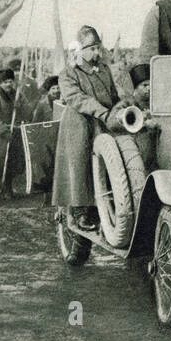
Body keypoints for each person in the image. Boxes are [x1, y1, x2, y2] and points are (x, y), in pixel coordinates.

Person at [51, 26, 120, 228]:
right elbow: (77, 99)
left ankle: (108, 207)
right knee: (80, 165)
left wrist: (120, 109)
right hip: (78, 124)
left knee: (110, 162)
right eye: (91, 49)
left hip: (102, 121)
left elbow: (113, 96)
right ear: (80, 49)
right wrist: (103, 112)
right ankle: (80, 212)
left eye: (98, 48)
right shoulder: (68, 73)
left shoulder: (104, 70)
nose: (96, 53)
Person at [0, 69, 27, 198]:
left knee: (14, 162)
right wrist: (4, 130)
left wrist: (21, 107)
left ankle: (8, 186)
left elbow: (28, 111)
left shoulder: (18, 95)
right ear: (0, 84)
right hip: (0, 135)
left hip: (16, 132)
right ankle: (4, 187)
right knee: (1, 162)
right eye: (5, 82)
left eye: (10, 81)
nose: (8, 84)